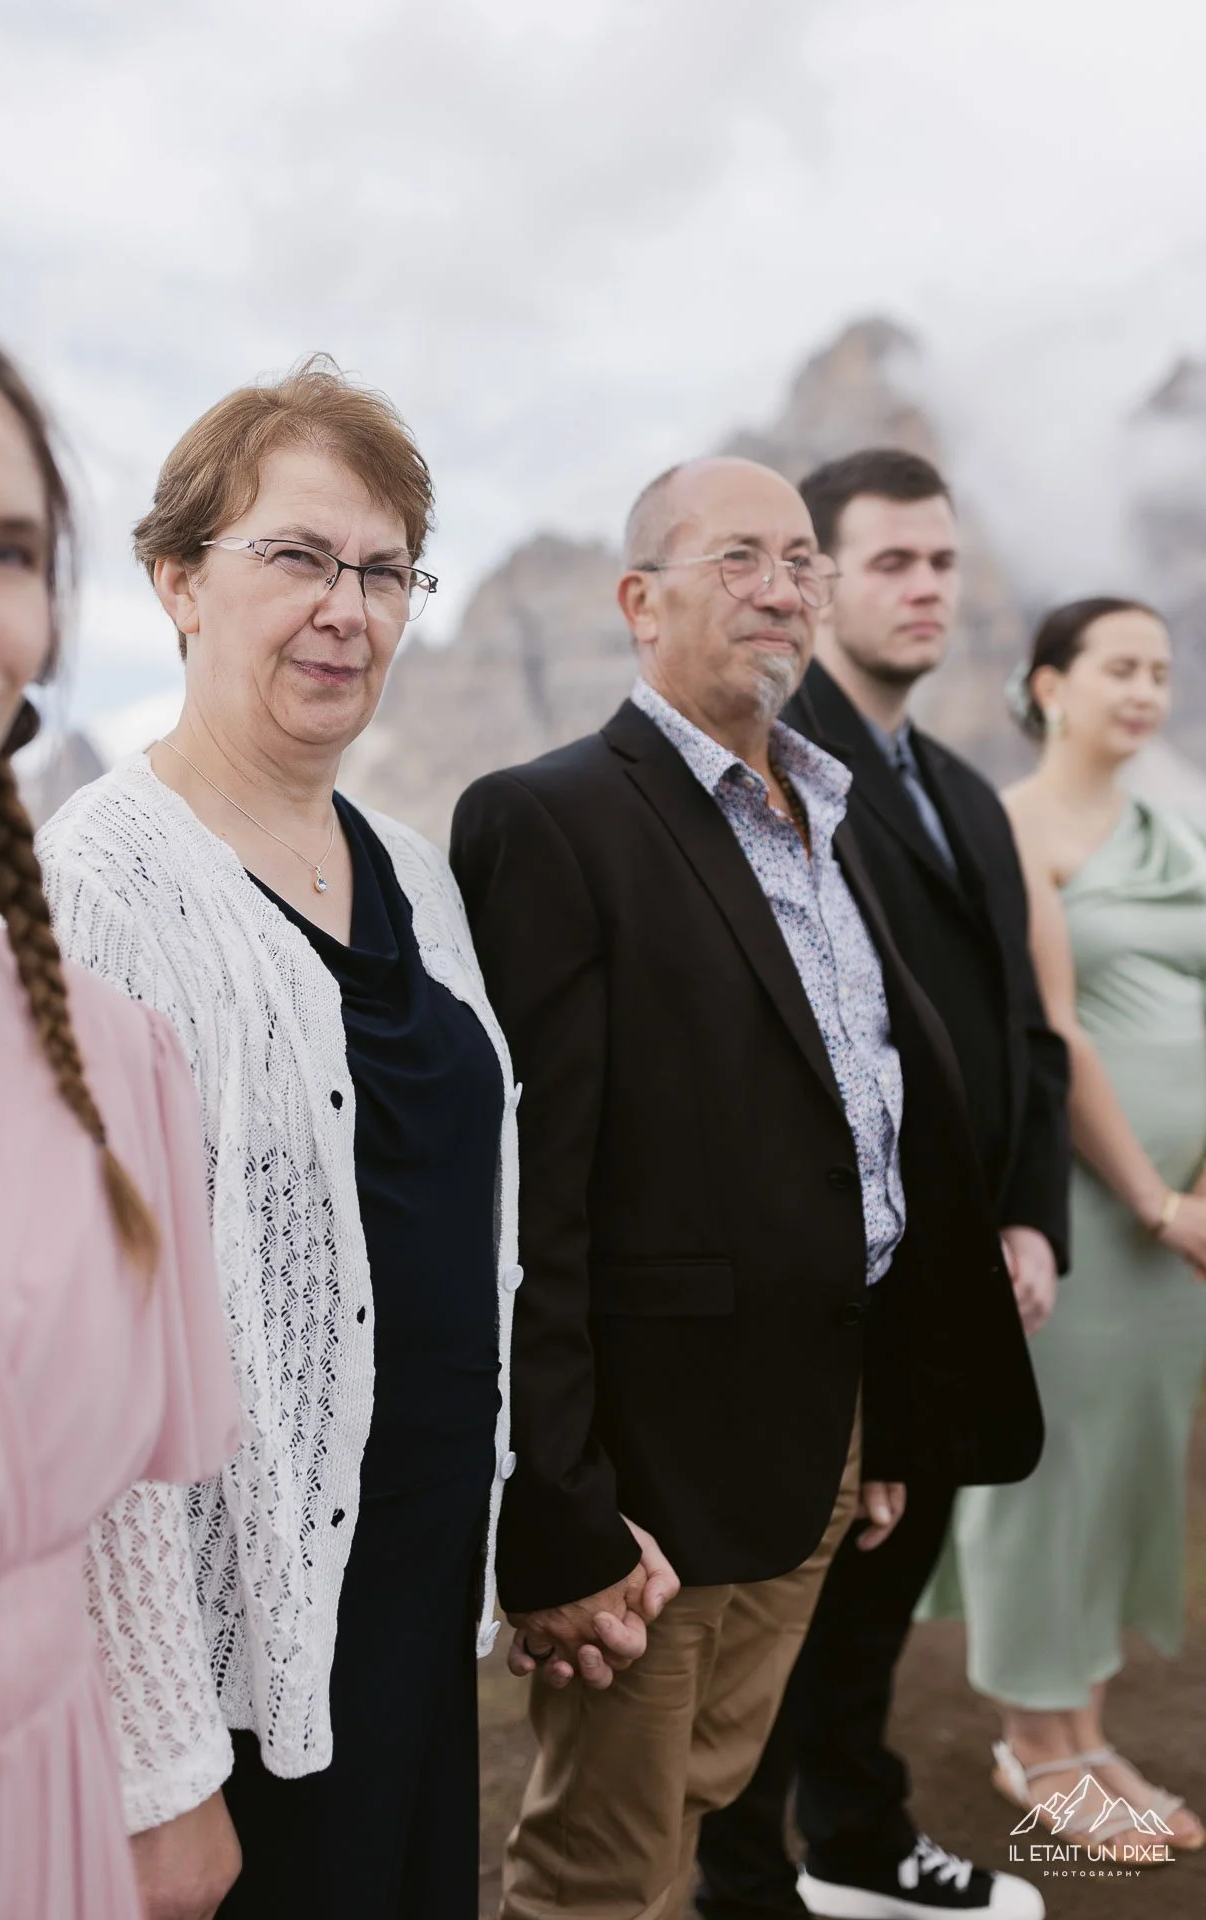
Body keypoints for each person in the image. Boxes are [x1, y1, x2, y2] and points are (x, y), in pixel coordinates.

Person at [450, 454, 1044, 1920]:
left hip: (822, 1442)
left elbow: (861, 1125)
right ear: (638, 603)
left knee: (702, 1807)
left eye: (800, 559)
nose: (783, 587)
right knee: (600, 1860)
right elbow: (533, 1202)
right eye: (739, 559)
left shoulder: (820, 817)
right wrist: (562, 1506)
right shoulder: (551, 818)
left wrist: (883, 1413)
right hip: (658, 1478)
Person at [37, 359, 521, 1920]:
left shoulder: (408, 867)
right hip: (230, 1629)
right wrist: (158, 1752)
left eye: (383, 572)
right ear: (177, 582)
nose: (348, 608)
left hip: (409, 1578)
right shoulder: (101, 886)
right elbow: (79, 1349)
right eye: (299, 557)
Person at [696, 449, 1068, 1920]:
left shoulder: (969, 796)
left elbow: (1026, 1025)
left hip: (956, 1273)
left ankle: (856, 1835)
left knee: (884, 1592)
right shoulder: (768, 773)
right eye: (891, 563)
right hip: (829, 1279)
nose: (926, 590)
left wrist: (1029, 1212)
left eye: (943, 564)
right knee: (780, 1609)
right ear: (816, 578)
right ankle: (740, 1883)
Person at [0, 311, 238, 1920]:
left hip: (43, 1815)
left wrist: (172, 1777)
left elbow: (121, 1494)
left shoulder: (110, 1061)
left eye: (8, 550)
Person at [922, 596, 1206, 1855]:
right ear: (1045, 685)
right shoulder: (1007, 828)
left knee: (1132, 1468)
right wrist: (1152, 1196)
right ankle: (1031, 1746)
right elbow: (1055, 1031)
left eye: (1160, 669)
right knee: (1053, 1473)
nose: (1146, 690)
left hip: (1182, 1228)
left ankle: (1086, 1731)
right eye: (1118, 668)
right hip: (1089, 1208)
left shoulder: (1174, 831)